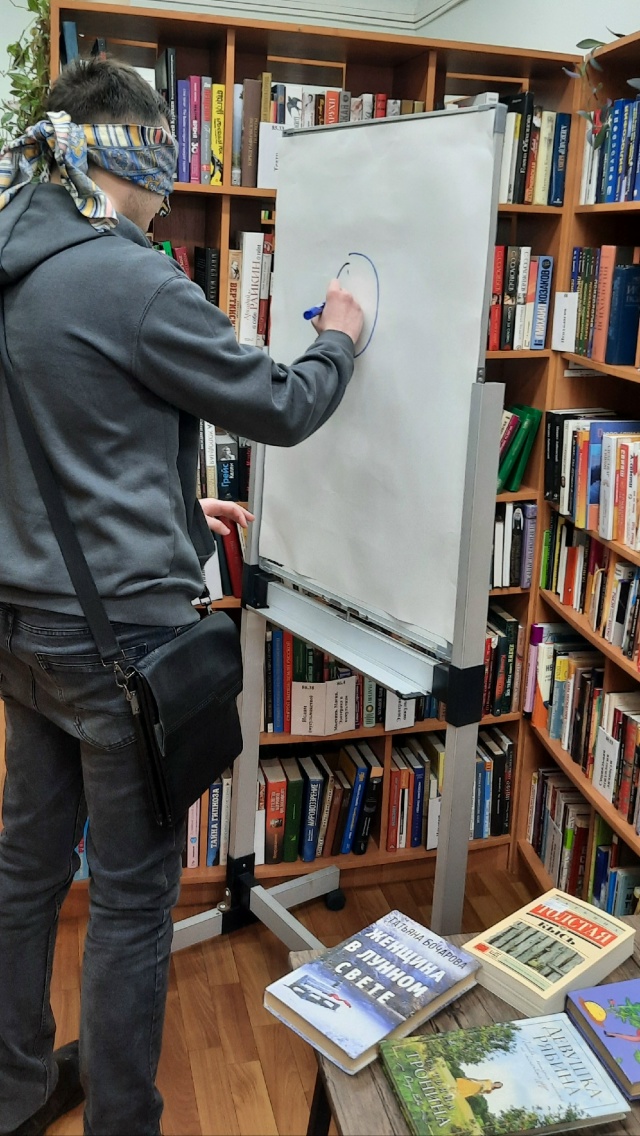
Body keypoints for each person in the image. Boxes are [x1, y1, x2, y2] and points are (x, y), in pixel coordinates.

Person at [0, 57, 363, 1136]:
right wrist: (341, 333)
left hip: (20, 631)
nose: (171, 192)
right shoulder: (132, 278)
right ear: (135, 155)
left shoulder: (12, 260)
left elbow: (55, 431)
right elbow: (284, 405)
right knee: (129, 898)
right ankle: (124, 1121)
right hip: (117, 649)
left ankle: (15, 1091)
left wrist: (166, 505)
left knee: (25, 871)